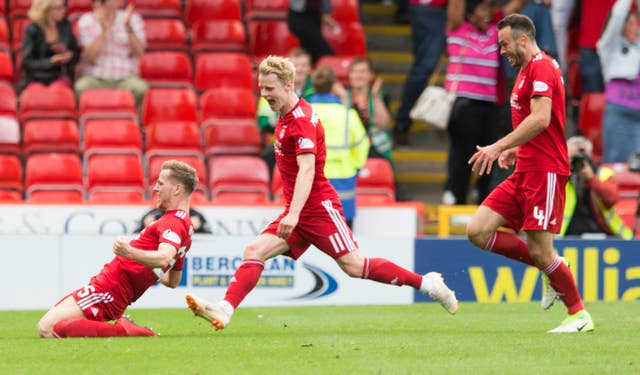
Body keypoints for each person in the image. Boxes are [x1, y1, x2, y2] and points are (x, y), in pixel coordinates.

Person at [186, 56, 458, 331]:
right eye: (261, 88)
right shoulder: (285, 114)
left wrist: (293, 213)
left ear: (288, 84)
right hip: (299, 209)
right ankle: (225, 309)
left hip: (318, 206)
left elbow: (308, 170)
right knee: (254, 250)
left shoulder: (301, 121)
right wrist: (293, 211)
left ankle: (428, 284)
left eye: (269, 89)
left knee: (353, 265)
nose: (264, 94)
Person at [466, 14, 594, 333]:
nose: (501, 51)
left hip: (545, 170)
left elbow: (540, 119)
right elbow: (539, 124)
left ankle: (578, 314)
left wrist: (497, 147)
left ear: (523, 39)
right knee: (478, 231)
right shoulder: (526, 70)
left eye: (505, 44)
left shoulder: (541, 66)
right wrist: (514, 149)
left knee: (541, 250)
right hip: (526, 167)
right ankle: (552, 268)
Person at [37, 160, 198, 338]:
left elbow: (163, 258)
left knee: (46, 328)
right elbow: (171, 280)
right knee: (54, 320)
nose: (155, 188)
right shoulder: (186, 227)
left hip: (110, 287)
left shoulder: (173, 222)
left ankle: (124, 330)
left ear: (177, 189)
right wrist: (147, 270)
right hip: (113, 288)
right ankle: (121, 329)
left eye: (160, 183)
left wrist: (128, 252)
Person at [441, 0, 526, 205]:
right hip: (463, 103)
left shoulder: (494, 32)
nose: (487, 13)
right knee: (464, 153)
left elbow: (514, 7)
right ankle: (457, 197)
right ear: (470, 14)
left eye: (489, 9)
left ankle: (482, 198)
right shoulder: (458, 28)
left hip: (489, 105)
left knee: (491, 153)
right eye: (482, 9)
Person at [308, 65, 370, 228]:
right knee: (345, 241)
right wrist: (355, 167)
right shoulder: (348, 114)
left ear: (313, 85)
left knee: (312, 236)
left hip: (311, 179)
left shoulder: (303, 114)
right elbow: (362, 145)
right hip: (344, 181)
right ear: (334, 85)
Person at [393, 0, 448, 146]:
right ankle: (402, 123)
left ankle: (403, 123)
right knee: (424, 68)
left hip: (437, 9)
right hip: (431, 7)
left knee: (425, 67)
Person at [74, 0, 148, 107]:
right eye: (99, 2)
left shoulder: (132, 19)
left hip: (125, 78)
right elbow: (90, 57)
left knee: (141, 88)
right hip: (95, 77)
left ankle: (137, 123)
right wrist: (104, 31)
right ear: (94, 4)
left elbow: (139, 52)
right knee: (81, 87)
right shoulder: (86, 21)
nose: (101, 5)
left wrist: (128, 29)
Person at [560, 136, 633, 239]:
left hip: (605, 234)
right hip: (567, 236)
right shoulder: (559, 178)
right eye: (572, 159)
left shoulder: (603, 174)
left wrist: (591, 179)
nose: (577, 164)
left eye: (580, 159)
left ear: (590, 157)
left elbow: (611, 199)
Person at [257, 48, 315, 176]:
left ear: (310, 68)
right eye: (296, 66)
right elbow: (262, 122)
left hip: (308, 140)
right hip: (280, 141)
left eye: (304, 66)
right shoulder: (271, 89)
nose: (299, 70)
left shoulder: (317, 90)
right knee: (269, 155)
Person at [597, 0, 640, 163]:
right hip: (620, 116)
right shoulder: (609, 46)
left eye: (636, 23)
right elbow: (617, 16)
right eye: (630, 23)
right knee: (617, 167)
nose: (635, 27)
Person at [18, 0, 80, 94]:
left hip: (58, 75)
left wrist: (67, 53)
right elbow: (27, 62)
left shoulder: (65, 26)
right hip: (35, 78)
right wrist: (51, 61)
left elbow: (75, 54)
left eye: (63, 7)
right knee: (39, 94)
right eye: (58, 8)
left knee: (59, 92)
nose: (63, 10)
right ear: (46, 10)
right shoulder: (32, 29)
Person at [287, 0, 336, 65]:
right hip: (298, 15)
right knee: (321, 49)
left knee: (309, 49)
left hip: (315, 15)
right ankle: (333, 65)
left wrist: (325, 13)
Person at [134, 207, 212, 234]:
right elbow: (136, 233)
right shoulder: (153, 214)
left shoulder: (195, 214)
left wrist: (198, 226)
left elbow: (209, 237)